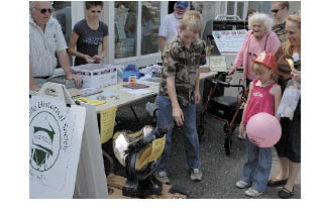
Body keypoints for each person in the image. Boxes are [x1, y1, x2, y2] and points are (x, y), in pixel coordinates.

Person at [155, 11, 206, 183]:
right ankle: (160, 170)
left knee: (190, 132)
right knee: (165, 134)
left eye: (192, 37)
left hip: (189, 95)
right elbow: (169, 79)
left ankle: (195, 166)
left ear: (197, 34)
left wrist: (197, 89)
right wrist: (175, 106)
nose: (188, 40)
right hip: (168, 97)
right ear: (180, 29)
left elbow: (197, 68)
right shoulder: (172, 47)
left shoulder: (199, 45)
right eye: (186, 36)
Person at [235, 51, 282, 197]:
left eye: (261, 73)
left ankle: (259, 185)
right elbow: (248, 104)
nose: (258, 76)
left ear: (271, 70)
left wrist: (274, 131)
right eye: (256, 73)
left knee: (264, 159)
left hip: (266, 132)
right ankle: (247, 178)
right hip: (251, 127)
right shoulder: (253, 84)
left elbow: (277, 112)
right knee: (251, 156)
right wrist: (243, 123)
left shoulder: (275, 88)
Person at [268, 13, 301, 199]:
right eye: (286, 31)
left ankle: (291, 182)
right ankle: (283, 173)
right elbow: (273, 67)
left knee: (294, 142)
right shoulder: (285, 47)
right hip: (283, 99)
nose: (288, 36)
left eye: (292, 32)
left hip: (301, 104)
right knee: (279, 139)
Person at [29, 1, 82, 91]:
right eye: (43, 11)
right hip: (33, 79)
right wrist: (31, 85)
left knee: (77, 85)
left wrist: (68, 73)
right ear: (31, 11)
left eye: (50, 10)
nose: (47, 14)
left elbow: (61, 51)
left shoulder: (54, 23)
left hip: (51, 77)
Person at [228, 12, 281, 86]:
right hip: (250, 76)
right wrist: (234, 67)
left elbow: (277, 57)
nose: (256, 28)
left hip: (265, 78)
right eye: (254, 26)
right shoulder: (249, 34)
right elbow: (242, 52)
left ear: (265, 27)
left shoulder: (271, 37)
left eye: (259, 26)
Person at [68, 1, 108, 66]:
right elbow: (71, 49)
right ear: (87, 10)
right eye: (93, 11)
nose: (96, 14)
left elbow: (105, 49)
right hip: (80, 66)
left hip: (95, 65)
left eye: (98, 11)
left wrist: (100, 56)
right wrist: (84, 56)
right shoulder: (79, 26)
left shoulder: (104, 27)